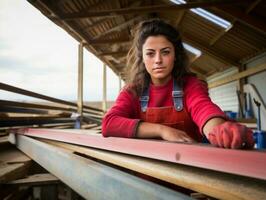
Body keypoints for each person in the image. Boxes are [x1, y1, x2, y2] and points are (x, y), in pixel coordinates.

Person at [102, 19, 254, 149]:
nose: (158, 60)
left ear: (176, 55)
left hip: (187, 174)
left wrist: (220, 129)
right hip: (144, 176)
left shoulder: (190, 85)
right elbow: (109, 123)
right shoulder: (133, 91)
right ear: (142, 58)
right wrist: (162, 131)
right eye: (150, 53)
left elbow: (203, 108)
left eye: (165, 52)